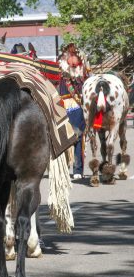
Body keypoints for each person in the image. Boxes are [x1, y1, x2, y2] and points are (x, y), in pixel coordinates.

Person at [58, 43, 90, 180]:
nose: (73, 58)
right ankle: (63, 168)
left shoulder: (83, 71)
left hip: (77, 105)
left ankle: (77, 169)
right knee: (62, 137)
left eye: (75, 55)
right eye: (70, 55)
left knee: (78, 136)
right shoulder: (60, 68)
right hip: (62, 104)